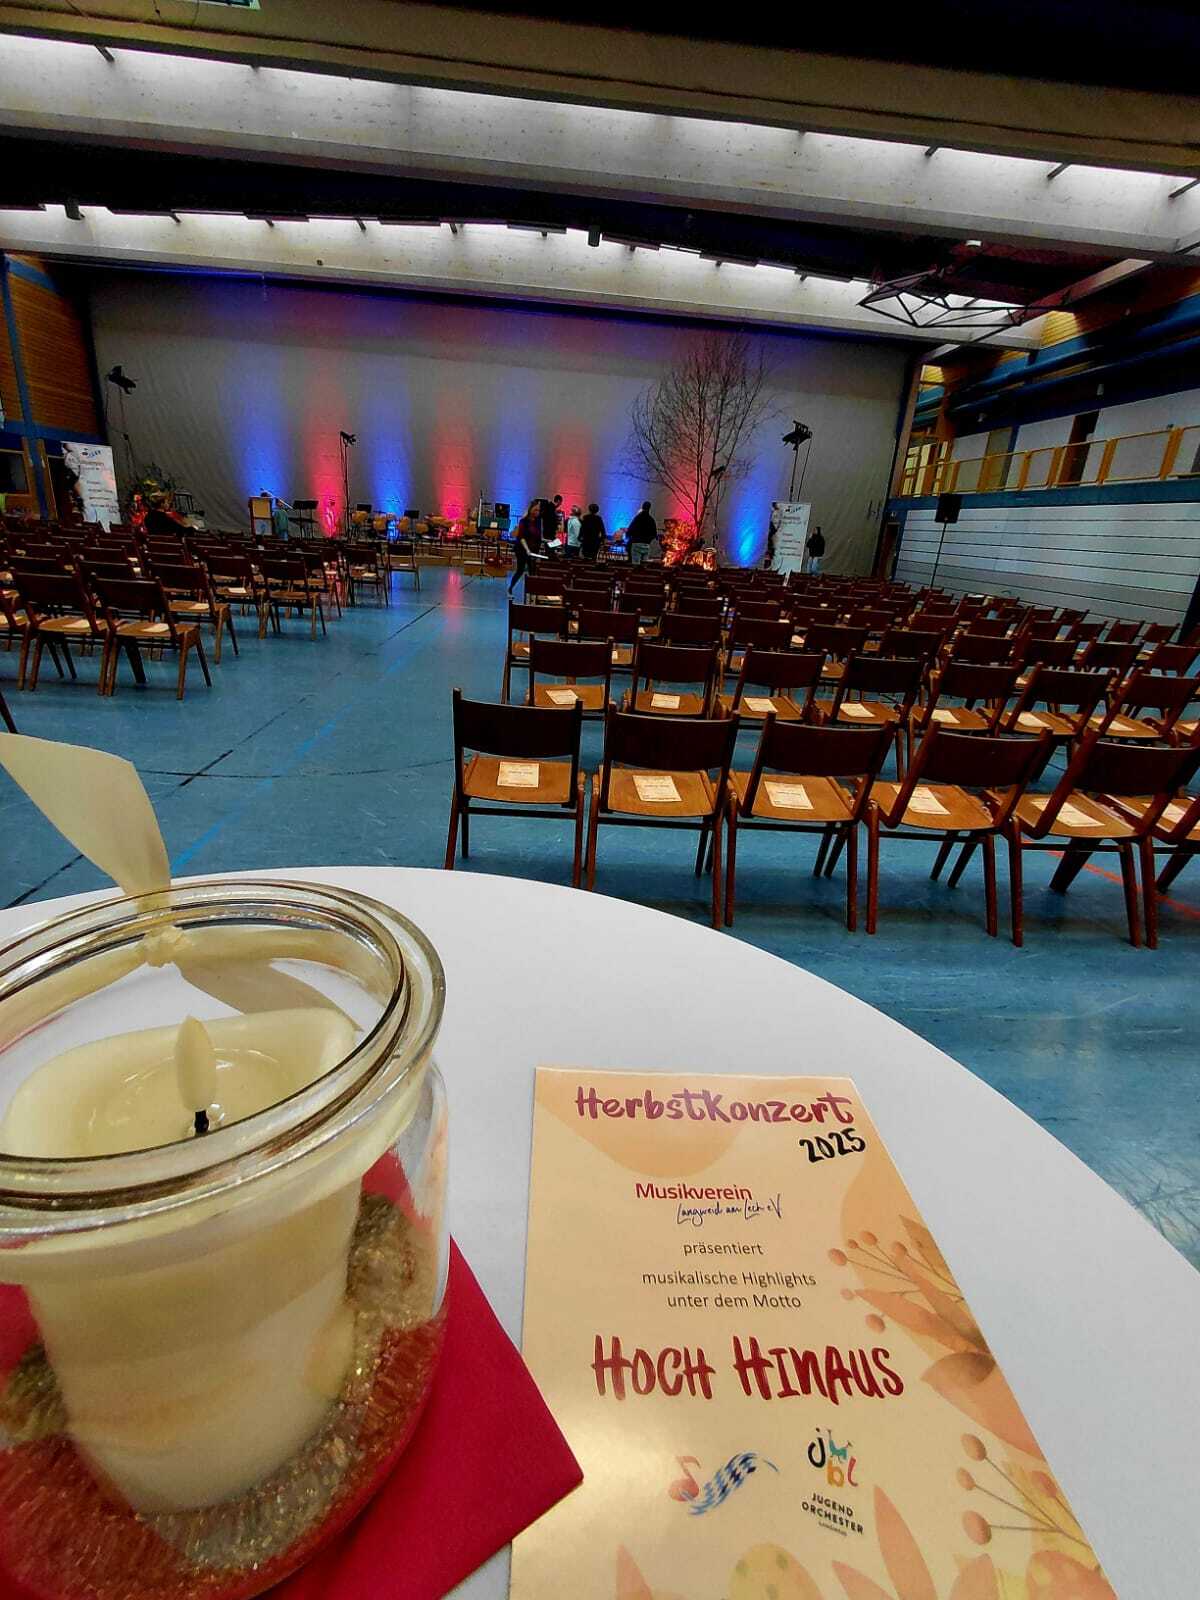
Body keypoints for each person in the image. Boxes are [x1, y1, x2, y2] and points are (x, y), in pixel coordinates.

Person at [508, 499, 546, 594]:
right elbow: (522, 537)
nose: (537, 512)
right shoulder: (523, 521)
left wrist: (548, 541)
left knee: (532, 571)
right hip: (522, 549)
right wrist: (527, 550)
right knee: (520, 570)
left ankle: (531, 592)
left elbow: (538, 536)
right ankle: (511, 587)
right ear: (530, 509)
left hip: (533, 549)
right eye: (535, 510)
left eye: (538, 510)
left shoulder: (538, 521)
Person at [626, 500, 658, 564]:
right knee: (644, 564)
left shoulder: (637, 518)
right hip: (646, 544)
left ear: (642, 507)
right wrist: (648, 540)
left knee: (635, 564)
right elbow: (654, 534)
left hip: (636, 543)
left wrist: (629, 536)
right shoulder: (651, 520)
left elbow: (630, 530)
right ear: (649, 508)